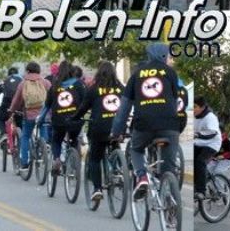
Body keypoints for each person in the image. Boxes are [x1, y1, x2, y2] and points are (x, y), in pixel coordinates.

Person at [111, 43, 180, 200]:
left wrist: (117, 131)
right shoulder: (170, 73)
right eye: (169, 56)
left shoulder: (136, 75)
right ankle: (170, 202)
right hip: (169, 125)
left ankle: (142, 177)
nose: (170, 59)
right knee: (169, 168)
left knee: (136, 149)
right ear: (163, 56)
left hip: (144, 125)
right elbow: (174, 101)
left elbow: (124, 108)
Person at [71, 61, 124, 202]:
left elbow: (83, 108)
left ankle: (97, 189)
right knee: (114, 144)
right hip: (118, 127)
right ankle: (119, 170)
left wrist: (74, 118)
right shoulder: (120, 88)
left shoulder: (93, 88)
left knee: (94, 158)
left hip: (99, 128)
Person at [38, 61, 86, 175]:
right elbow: (86, 101)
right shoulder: (78, 84)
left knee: (57, 140)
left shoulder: (55, 85)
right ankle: (75, 164)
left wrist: (40, 119)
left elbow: (47, 105)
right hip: (75, 120)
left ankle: (56, 159)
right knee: (74, 140)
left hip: (58, 121)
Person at [8, 61, 51, 173]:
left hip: (29, 114)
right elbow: (53, 97)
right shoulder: (46, 82)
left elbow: (17, 100)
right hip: (43, 114)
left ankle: (24, 163)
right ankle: (44, 149)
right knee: (43, 130)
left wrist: (12, 110)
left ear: (27, 71)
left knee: (25, 136)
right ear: (39, 71)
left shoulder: (23, 84)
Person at [193, 97, 220, 200]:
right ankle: (196, 185)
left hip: (212, 144)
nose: (193, 109)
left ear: (202, 107)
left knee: (200, 161)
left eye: (195, 107)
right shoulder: (194, 117)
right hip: (199, 143)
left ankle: (201, 191)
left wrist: (197, 134)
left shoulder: (210, 117)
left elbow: (212, 132)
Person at [0, 67, 23, 142]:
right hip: (20, 106)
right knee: (20, 122)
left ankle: (4, 134)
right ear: (18, 73)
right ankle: (21, 137)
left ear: (8, 74)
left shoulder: (5, 82)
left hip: (7, 105)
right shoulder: (22, 81)